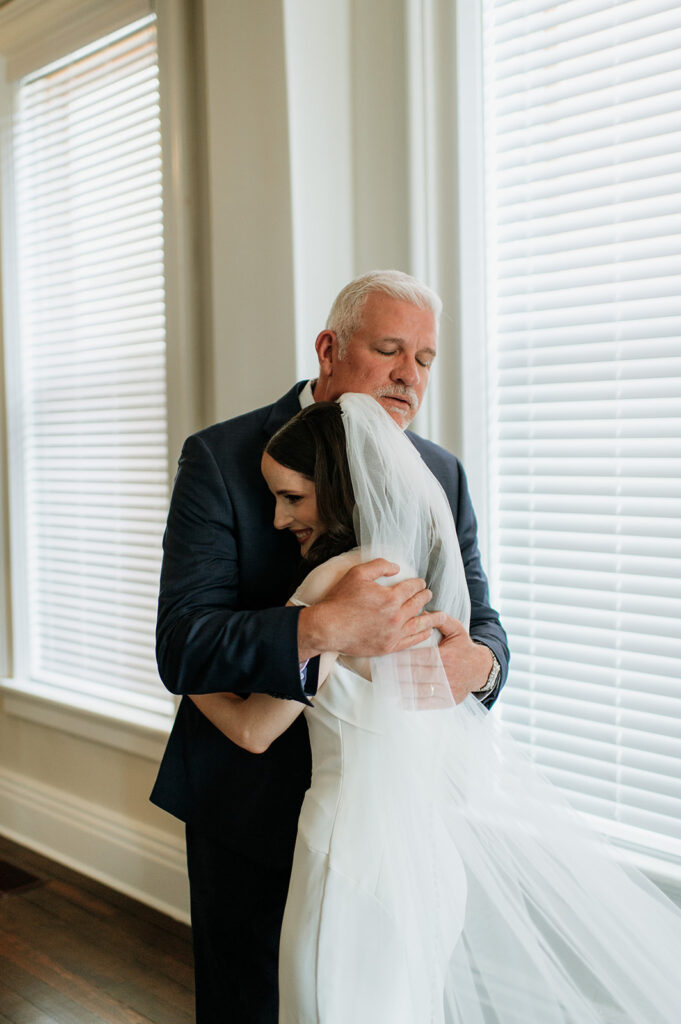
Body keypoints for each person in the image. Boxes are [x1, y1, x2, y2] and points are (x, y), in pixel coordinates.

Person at [194, 394, 681, 1024]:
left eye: (293, 497)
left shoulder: (332, 589)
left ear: (338, 489)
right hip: (427, 866)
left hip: (349, 862)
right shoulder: (413, 579)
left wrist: (191, 678)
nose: (280, 519)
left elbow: (257, 730)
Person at [150, 270, 509, 1022]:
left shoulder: (439, 472)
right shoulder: (222, 458)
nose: (408, 376)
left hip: (404, 824)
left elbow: (482, 623)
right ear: (328, 349)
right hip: (250, 817)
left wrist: (480, 664)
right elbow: (184, 640)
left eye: (424, 359)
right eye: (388, 350)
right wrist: (319, 629)